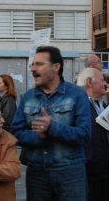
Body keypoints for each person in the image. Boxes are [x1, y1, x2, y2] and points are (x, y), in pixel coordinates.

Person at [12, 46, 91, 201]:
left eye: (39, 64)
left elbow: (84, 134)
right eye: (32, 65)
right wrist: (38, 136)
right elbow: (16, 132)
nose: (33, 69)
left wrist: (52, 127)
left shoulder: (77, 95)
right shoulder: (28, 97)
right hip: (37, 174)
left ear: (56, 67)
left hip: (70, 174)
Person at [77, 67, 109, 201]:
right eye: (102, 80)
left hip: (106, 173)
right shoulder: (78, 105)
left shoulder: (103, 105)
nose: (105, 84)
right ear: (89, 82)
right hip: (89, 176)